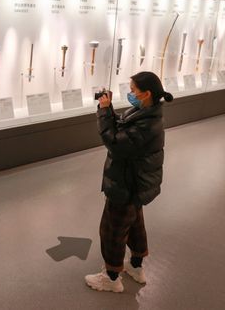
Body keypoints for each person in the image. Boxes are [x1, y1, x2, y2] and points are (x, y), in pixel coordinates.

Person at [85, 71, 174, 293]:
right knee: (134, 225)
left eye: (133, 90)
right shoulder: (146, 113)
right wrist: (108, 109)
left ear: (146, 93)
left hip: (127, 183)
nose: (130, 93)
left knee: (112, 230)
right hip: (134, 182)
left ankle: (111, 277)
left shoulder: (147, 124)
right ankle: (136, 266)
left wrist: (103, 112)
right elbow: (123, 126)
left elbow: (115, 142)